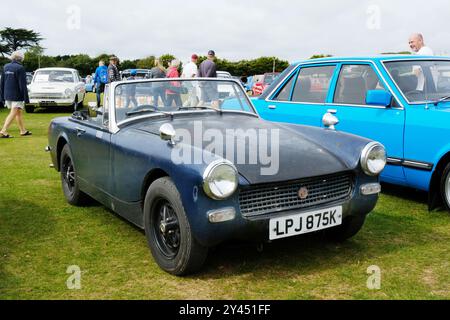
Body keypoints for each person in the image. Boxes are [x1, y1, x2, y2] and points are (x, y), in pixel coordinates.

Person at [0, 51, 31, 138]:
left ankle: (23, 131)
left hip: (7, 94)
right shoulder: (20, 68)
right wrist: (26, 98)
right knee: (14, 112)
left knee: (18, 112)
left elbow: (1, 82)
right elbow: (22, 84)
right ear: (21, 59)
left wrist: (2, 96)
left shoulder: (5, 66)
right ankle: (3, 130)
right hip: (17, 95)